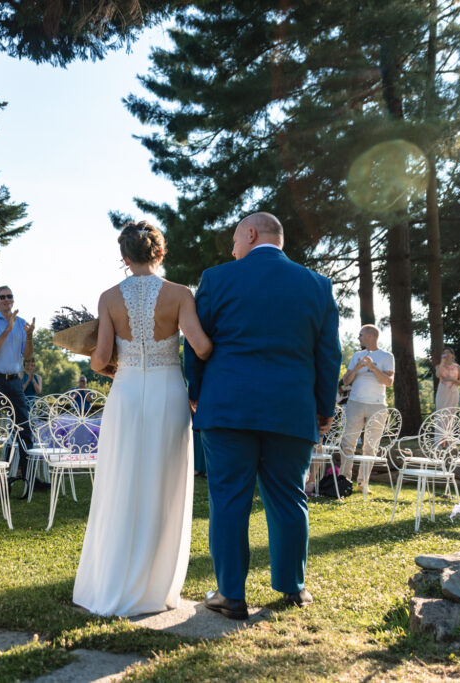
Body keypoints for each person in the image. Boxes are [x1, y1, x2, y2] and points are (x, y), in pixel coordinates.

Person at [184, 212, 340, 619]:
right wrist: (324, 409)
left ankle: (231, 595)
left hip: (227, 406)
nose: (232, 250)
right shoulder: (318, 286)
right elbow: (328, 356)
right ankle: (293, 588)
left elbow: (196, 343)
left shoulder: (217, 279)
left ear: (251, 234)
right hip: (291, 409)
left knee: (229, 499)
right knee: (289, 496)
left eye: (235, 241)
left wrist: (196, 393)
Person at [73, 221, 212, 617]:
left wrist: (108, 364)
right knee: (163, 484)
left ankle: (114, 577)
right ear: (160, 252)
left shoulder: (108, 297)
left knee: (121, 479)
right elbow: (200, 348)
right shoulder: (181, 294)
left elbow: (100, 358)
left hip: (128, 393)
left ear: (124, 257)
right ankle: (155, 584)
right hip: (169, 394)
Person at [0, 286, 39, 498]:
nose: (6, 300)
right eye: (1, 297)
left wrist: (29, 337)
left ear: (13, 300)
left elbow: (28, 358)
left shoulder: (22, 324)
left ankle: (30, 479)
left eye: (9, 296)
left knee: (25, 429)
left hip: (14, 382)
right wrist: (7, 329)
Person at [339, 324, 395, 482]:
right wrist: (356, 367)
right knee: (348, 441)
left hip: (377, 405)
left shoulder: (387, 356)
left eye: (361, 335)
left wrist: (372, 367)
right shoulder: (357, 355)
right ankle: (344, 479)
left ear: (370, 336)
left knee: (370, 446)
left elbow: (389, 382)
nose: (359, 338)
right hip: (355, 402)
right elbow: (345, 381)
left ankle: (363, 482)